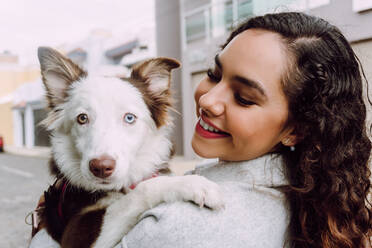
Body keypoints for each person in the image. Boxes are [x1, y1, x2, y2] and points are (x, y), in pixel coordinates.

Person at [30, 12, 371, 248]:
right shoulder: (302, 191)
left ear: (295, 130)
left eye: (244, 97)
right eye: (213, 73)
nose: (208, 99)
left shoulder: (187, 225)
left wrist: (41, 232)